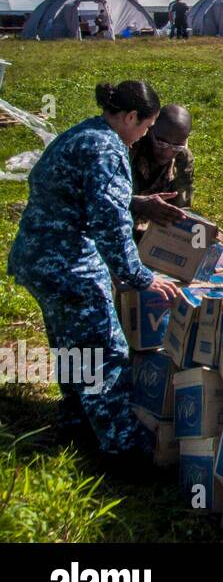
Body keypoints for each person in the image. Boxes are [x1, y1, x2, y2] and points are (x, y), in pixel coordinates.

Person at [7, 81, 183, 459]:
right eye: (146, 127)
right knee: (104, 352)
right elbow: (109, 222)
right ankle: (123, 448)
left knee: (72, 346)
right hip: (68, 264)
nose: (145, 136)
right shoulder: (107, 148)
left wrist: (136, 201)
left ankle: (75, 423)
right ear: (131, 117)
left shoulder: (84, 133)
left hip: (38, 259)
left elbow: (84, 195)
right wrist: (140, 277)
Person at [130, 104, 194, 236]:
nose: (167, 152)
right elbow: (97, 197)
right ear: (150, 129)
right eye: (161, 143)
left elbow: (181, 206)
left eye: (177, 146)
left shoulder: (183, 158)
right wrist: (137, 203)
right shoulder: (130, 146)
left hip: (151, 230)